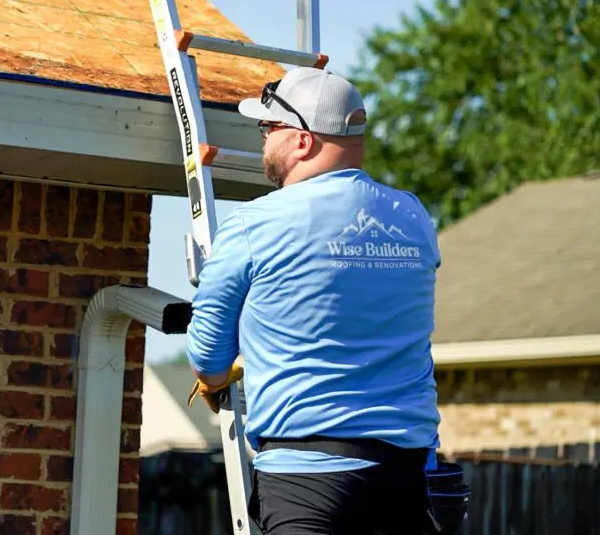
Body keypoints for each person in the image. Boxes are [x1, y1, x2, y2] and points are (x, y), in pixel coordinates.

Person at [184, 67, 461, 534]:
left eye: (268, 129)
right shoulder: (413, 216)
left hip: (308, 481)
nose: (263, 141)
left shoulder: (256, 225)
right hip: (409, 478)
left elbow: (208, 357)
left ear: (302, 141)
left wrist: (217, 378)